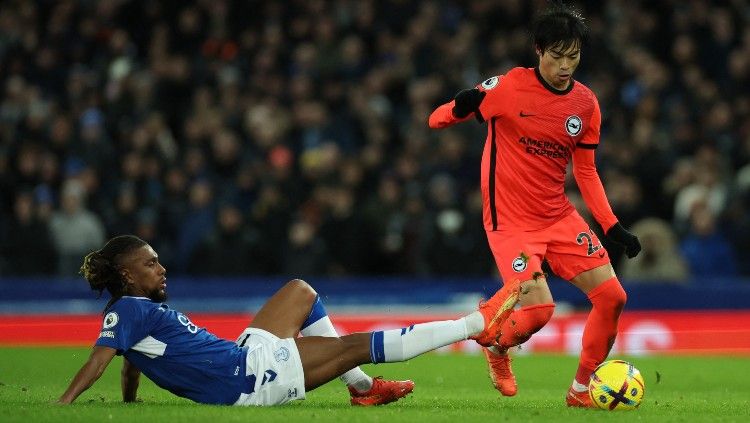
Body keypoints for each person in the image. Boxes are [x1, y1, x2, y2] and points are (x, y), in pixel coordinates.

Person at [428, 4, 641, 407]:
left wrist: (611, 226)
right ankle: (496, 349)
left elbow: (587, 172)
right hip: (510, 221)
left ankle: (580, 391)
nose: (565, 66)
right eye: (557, 56)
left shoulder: (585, 104)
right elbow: (435, 120)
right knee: (540, 312)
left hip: (558, 215)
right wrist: (461, 105)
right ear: (538, 51)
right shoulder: (509, 87)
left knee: (613, 297)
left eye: (573, 57)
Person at [58, 235, 520, 406]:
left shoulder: (138, 316)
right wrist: (65, 403)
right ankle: (474, 324)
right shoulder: (127, 311)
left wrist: (130, 402)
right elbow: (100, 361)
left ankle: (362, 390)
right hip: (250, 381)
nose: (162, 268)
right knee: (356, 346)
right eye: (151, 264)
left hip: (241, 358)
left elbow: (131, 363)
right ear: (126, 275)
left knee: (300, 291)